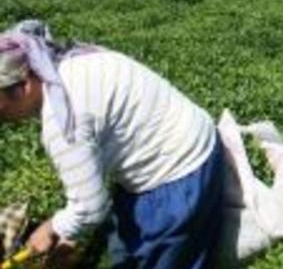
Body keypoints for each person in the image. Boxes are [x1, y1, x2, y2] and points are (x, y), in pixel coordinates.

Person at [0, 20, 224, 268]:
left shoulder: (62, 120)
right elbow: (101, 139)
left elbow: (91, 208)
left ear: (24, 85)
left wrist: (52, 228)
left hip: (178, 178)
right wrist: (71, 232)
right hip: (201, 143)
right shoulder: (70, 63)